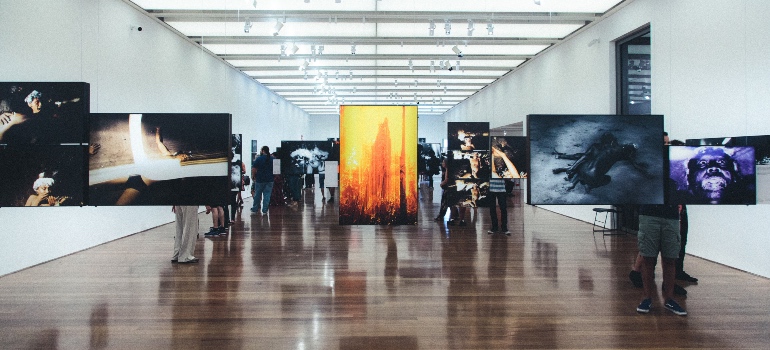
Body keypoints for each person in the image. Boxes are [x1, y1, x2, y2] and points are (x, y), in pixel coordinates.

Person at [634, 203, 687, 316]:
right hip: (649, 213)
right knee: (648, 258)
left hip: (671, 215)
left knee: (670, 259)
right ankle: (647, 298)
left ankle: (669, 299)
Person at [251, 146, 275, 214]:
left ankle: (255, 209)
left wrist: (253, 176)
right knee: (267, 195)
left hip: (260, 179)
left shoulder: (259, 159)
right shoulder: (273, 159)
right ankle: (265, 210)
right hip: (270, 180)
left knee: (257, 195)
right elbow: (277, 171)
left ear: (263, 150)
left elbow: (254, 169)